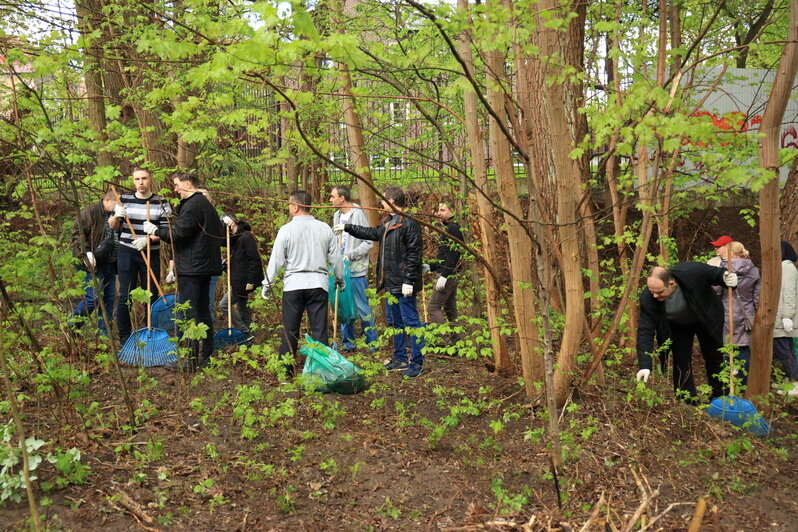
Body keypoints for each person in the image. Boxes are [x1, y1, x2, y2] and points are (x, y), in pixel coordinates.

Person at [334, 186, 425, 378]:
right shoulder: (388, 223)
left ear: (392, 201)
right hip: (390, 283)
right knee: (395, 323)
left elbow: (414, 255)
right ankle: (400, 358)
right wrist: (347, 227)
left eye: (383, 200)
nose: (380, 204)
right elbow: (370, 233)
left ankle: (417, 362)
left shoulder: (409, 223)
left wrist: (409, 280)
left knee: (411, 323)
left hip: (404, 284)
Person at [143, 172, 224, 368]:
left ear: (188, 184)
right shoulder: (205, 205)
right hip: (203, 267)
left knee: (188, 312)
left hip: (192, 268)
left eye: (178, 184)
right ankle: (206, 354)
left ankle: (190, 359)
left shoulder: (193, 205)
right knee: (203, 310)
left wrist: (155, 231)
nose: (175, 188)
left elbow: (179, 234)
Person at [262, 190, 343, 378]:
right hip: (318, 284)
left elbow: (276, 261)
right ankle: (319, 373)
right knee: (319, 330)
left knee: (290, 329)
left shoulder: (286, 230)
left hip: (293, 285)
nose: (289, 207)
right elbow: (336, 258)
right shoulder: (324, 228)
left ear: (296, 207)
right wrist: (340, 278)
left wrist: (268, 283)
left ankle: (286, 373)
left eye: (290, 204)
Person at [635, 263, 739, 401]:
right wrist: (645, 365)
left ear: (671, 283)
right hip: (678, 325)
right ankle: (686, 399)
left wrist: (725, 277)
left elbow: (714, 273)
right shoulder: (648, 298)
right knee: (681, 360)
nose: (654, 295)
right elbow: (645, 330)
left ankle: (720, 396)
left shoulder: (690, 272)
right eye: (651, 291)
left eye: (659, 292)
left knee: (714, 355)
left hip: (705, 316)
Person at [109, 167, 172, 344]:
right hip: (127, 251)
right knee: (125, 295)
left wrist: (148, 239)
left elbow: (167, 231)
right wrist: (116, 216)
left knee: (151, 293)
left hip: (150, 252)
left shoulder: (161, 201)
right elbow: (113, 226)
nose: (141, 182)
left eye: (144, 178)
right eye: (137, 179)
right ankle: (124, 336)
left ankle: (152, 331)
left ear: (150, 179)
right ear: (133, 181)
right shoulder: (124, 200)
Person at [329, 185, 378, 351]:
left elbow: (368, 241)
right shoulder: (337, 215)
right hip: (341, 269)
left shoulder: (358, 215)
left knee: (361, 306)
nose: (330, 200)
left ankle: (372, 342)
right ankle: (348, 342)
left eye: (332, 196)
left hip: (356, 269)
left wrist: (350, 254)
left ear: (342, 198)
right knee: (343, 305)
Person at [70, 190, 121, 335]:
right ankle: (72, 326)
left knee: (109, 299)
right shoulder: (90, 212)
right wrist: (86, 253)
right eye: (117, 203)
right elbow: (77, 233)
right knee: (94, 297)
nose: (119, 206)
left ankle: (104, 335)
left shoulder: (118, 216)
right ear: (107, 200)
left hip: (111, 262)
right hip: (93, 262)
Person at [716, 241, 760, 383]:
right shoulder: (754, 270)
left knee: (727, 345)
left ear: (731, 253)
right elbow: (757, 297)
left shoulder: (724, 267)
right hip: (746, 314)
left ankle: (728, 381)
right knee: (743, 347)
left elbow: (716, 290)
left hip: (726, 312)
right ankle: (742, 382)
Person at [219, 215, 264, 336]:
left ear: (232, 224)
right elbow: (224, 242)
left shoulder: (246, 236)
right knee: (243, 309)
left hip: (243, 281)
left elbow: (254, 260)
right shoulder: (235, 238)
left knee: (224, 305)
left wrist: (251, 281)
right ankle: (250, 336)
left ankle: (244, 332)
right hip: (237, 280)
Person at [427, 200, 464, 335]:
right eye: (438, 210)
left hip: (449, 274)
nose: (438, 213)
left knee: (433, 307)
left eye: (443, 210)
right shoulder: (449, 228)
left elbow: (453, 255)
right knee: (450, 309)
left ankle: (440, 343)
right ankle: (457, 342)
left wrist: (444, 275)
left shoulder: (453, 228)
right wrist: (430, 266)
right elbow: (445, 256)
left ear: (452, 211)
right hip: (450, 273)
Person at [773, 240, 798, 396]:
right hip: (782, 317)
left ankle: (794, 383)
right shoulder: (784, 267)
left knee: (784, 351)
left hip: (784, 319)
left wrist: (787, 316)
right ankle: (790, 381)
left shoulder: (786, 268)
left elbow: (788, 293)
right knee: (785, 350)